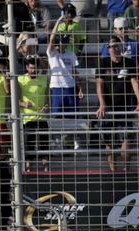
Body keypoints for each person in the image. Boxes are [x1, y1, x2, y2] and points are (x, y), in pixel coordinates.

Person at [96, 36, 139, 173]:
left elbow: (135, 83)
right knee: (109, 143)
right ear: (108, 49)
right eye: (110, 46)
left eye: (115, 45)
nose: (113, 48)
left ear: (121, 47)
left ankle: (126, 170)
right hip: (108, 108)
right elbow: (99, 84)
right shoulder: (103, 63)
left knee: (127, 142)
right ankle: (113, 172)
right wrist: (102, 104)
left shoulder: (129, 62)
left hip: (126, 107)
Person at [47, 17, 83, 148]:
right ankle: (56, 140)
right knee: (56, 115)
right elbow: (51, 38)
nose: (65, 43)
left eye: (67, 41)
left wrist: (80, 88)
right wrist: (58, 21)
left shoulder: (71, 54)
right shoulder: (52, 53)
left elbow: (75, 72)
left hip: (71, 87)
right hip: (57, 87)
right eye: (63, 41)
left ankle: (74, 139)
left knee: (73, 115)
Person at [18, 54, 49, 170]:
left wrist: (47, 106)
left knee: (44, 142)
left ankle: (45, 165)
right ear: (26, 68)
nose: (33, 70)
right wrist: (23, 104)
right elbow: (14, 100)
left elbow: (48, 96)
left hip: (42, 117)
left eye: (35, 68)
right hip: (28, 118)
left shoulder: (43, 78)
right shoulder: (20, 79)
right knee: (28, 143)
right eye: (31, 68)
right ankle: (28, 165)